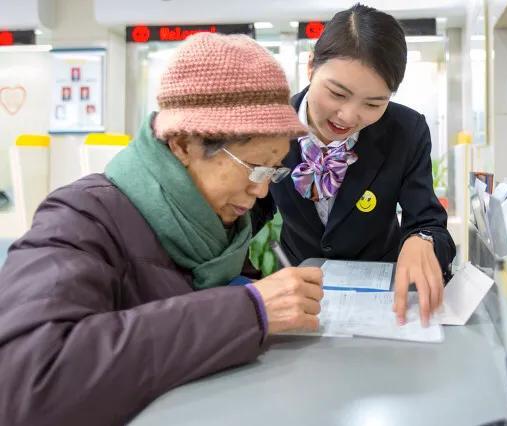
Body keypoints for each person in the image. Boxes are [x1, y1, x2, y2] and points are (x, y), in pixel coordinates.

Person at [0, 33, 324, 426]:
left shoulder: (218, 228)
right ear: (184, 145)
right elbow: (28, 378)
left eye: (273, 170)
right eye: (254, 166)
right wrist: (247, 311)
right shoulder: (81, 217)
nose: (260, 190)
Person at [253, 4, 456, 326]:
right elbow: (248, 210)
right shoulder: (271, 125)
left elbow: (428, 221)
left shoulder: (406, 130)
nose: (348, 116)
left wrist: (423, 241)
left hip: (383, 298)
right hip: (299, 293)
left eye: (374, 103)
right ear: (310, 67)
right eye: (336, 93)